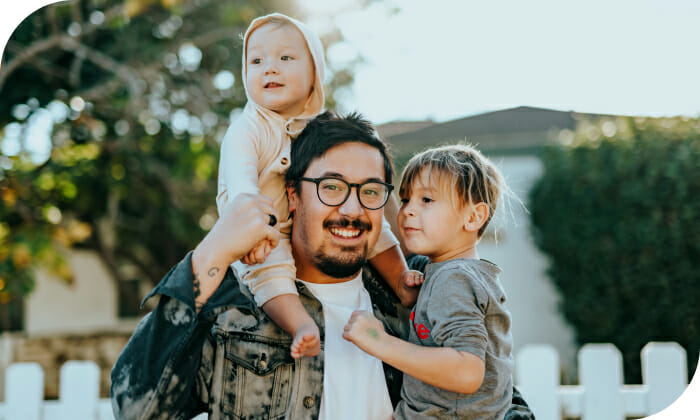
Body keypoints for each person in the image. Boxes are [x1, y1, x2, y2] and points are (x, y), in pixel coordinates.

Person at [110, 112, 533, 419]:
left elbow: (497, 397)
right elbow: (136, 410)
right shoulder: (233, 302)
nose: (352, 208)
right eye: (331, 187)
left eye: (370, 191)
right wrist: (212, 253)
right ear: (293, 195)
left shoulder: (418, 286)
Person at [216, 12, 418, 359]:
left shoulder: (320, 131)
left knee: (374, 224)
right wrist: (253, 233)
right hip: (260, 231)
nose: (270, 68)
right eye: (257, 60)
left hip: (301, 223)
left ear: (315, 75)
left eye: (285, 58)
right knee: (270, 273)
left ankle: (402, 280)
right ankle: (301, 324)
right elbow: (241, 187)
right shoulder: (247, 129)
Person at [344, 144, 515, 419]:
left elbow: (467, 372)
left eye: (426, 200)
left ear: (473, 217)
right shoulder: (453, 272)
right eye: (405, 198)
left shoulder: (453, 279)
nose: (408, 210)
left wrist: (378, 341)